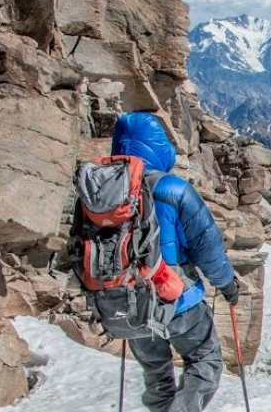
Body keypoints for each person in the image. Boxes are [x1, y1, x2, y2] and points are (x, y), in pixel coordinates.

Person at [111, 112, 241, 412]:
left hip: (125, 303)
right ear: (157, 146)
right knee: (205, 360)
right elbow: (207, 247)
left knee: (157, 374)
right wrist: (227, 285)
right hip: (175, 298)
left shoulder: (99, 192)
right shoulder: (173, 189)